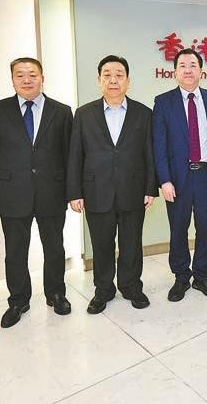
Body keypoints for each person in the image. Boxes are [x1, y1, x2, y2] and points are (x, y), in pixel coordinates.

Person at [0, 57, 73, 328]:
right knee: (15, 251)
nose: (27, 79)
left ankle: (56, 293)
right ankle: (18, 300)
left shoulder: (62, 111)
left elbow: (70, 156)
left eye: (32, 74)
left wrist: (72, 192)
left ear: (43, 78)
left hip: (52, 191)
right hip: (11, 192)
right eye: (20, 75)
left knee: (54, 247)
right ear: (12, 80)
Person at [67, 55, 157, 313]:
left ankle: (131, 287)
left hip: (133, 189)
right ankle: (103, 290)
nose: (113, 80)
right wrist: (74, 192)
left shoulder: (143, 113)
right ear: (99, 80)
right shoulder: (84, 114)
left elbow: (149, 154)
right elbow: (75, 155)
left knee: (131, 243)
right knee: (102, 245)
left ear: (128, 81)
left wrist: (150, 188)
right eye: (107, 75)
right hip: (96, 191)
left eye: (119, 75)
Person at [152, 49, 207, 302]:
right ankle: (181, 276)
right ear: (175, 71)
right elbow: (159, 145)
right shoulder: (163, 102)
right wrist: (164, 180)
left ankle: (202, 276)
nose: (188, 70)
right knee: (178, 229)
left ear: (201, 70)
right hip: (177, 178)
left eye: (193, 65)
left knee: (205, 228)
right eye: (182, 65)